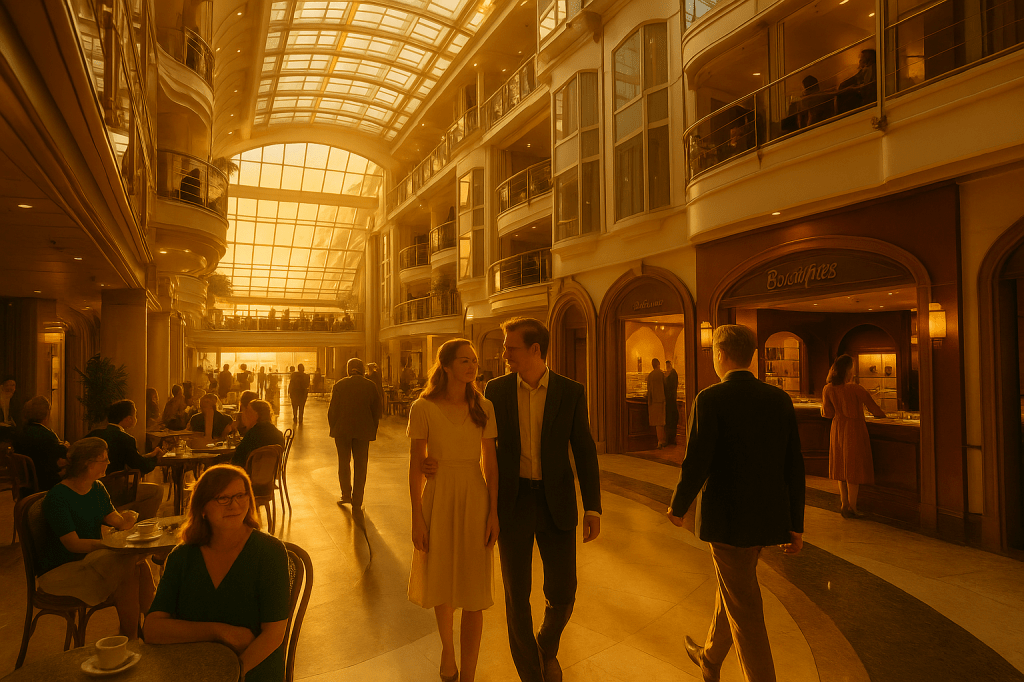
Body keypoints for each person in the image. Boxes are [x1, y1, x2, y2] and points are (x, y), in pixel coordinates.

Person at [442, 317, 601, 682]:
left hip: (555, 502)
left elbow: (585, 450)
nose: (504, 354)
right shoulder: (495, 391)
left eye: (510, 347)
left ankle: (545, 644)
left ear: (534, 349)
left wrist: (592, 505)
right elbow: (469, 430)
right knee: (517, 594)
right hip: (512, 503)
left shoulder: (570, 391)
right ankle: (532, 673)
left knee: (563, 590)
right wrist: (438, 458)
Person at [666, 324, 805, 682]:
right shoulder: (779, 399)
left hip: (728, 522)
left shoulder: (710, 399)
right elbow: (794, 465)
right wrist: (796, 524)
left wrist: (678, 505)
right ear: (752, 356)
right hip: (768, 520)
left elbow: (697, 460)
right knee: (734, 588)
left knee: (745, 609)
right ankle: (710, 657)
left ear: (720, 354)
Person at [145, 465, 290, 681]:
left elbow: (274, 634)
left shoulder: (269, 553)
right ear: (202, 508)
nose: (235, 505)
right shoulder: (182, 557)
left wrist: (235, 673)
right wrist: (217, 631)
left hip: (252, 668)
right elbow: (152, 629)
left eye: (241, 495)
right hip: (191, 668)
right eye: (223, 498)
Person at [408, 339, 499, 682]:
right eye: (464, 360)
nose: (472, 365)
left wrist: (494, 512)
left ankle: (470, 674)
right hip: (439, 495)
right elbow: (416, 465)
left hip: (475, 496)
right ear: (445, 366)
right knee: (442, 580)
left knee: (475, 589)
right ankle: (448, 652)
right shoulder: (424, 407)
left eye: (474, 360)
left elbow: (491, 465)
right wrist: (417, 516)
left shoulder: (484, 406)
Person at [39, 437, 155, 638]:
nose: (109, 463)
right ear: (88, 463)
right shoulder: (58, 497)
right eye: (104, 459)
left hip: (90, 560)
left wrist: (129, 519)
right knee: (129, 570)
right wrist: (108, 545)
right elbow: (72, 544)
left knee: (137, 564)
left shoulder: (97, 487)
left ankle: (151, 626)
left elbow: (117, 522)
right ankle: (135, 636)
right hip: (65, 569)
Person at [822, 354, 887, 518]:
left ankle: (844, 503)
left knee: (841, 466)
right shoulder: (856, 388)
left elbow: (828, 414)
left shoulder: (828, 388)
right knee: (853, 467)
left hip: (837, 428)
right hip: (854, 428)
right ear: (849, 370)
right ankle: (853, 506)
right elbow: (876, 411)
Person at [87, 400, 165, 520]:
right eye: (135, 415)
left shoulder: (94, 434)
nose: (136, 418)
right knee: (157, 490)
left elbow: (133, 457)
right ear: (128, 419)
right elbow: (141, 466)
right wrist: (156, 458)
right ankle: (141, 526)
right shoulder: (126, 438)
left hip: (90, 487)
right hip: (115, 490)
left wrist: (149, 455)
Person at [327, 358, 383, 509]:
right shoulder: (370, 386)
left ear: (348, 369)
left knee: (344, 463)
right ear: (362, 369)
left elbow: (332, 411)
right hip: (363, 431)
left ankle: (346, 494)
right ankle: (357, 499)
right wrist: (372, 428)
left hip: (342, 431)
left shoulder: (339, 385)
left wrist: (334, 427)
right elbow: (377, 410)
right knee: (361, 465)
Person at [14, 396, 68, 491]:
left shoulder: (20, 432)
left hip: (27, 482)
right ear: (46, 414)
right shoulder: (48, 435)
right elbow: (62, 457)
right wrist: (65, 447)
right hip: (45, 481)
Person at [231, 400, 285, 469]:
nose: (244, 414)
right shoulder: (278, 434)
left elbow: (237, 459)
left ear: (256, 415)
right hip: (270, 474)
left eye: (248, 411)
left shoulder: (252, 434)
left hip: (248, 473)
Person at [646, 358, 668, 448]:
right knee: (661, 422)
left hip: (652, 401)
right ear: (658, 364)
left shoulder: (650, 375)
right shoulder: (661, 374)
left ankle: (660, 441)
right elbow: (666, 386)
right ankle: (661, 441)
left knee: (656, 422)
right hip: (661, 399)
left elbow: (648, 388)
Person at [664, 360, 680, 445]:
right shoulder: (672, 374)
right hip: (671, 400)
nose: (667, 367)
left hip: (671, 400)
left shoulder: (672, 374)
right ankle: (671, 439)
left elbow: (670, 386)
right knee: (672, 419)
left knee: (671, 420)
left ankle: (671, 439)